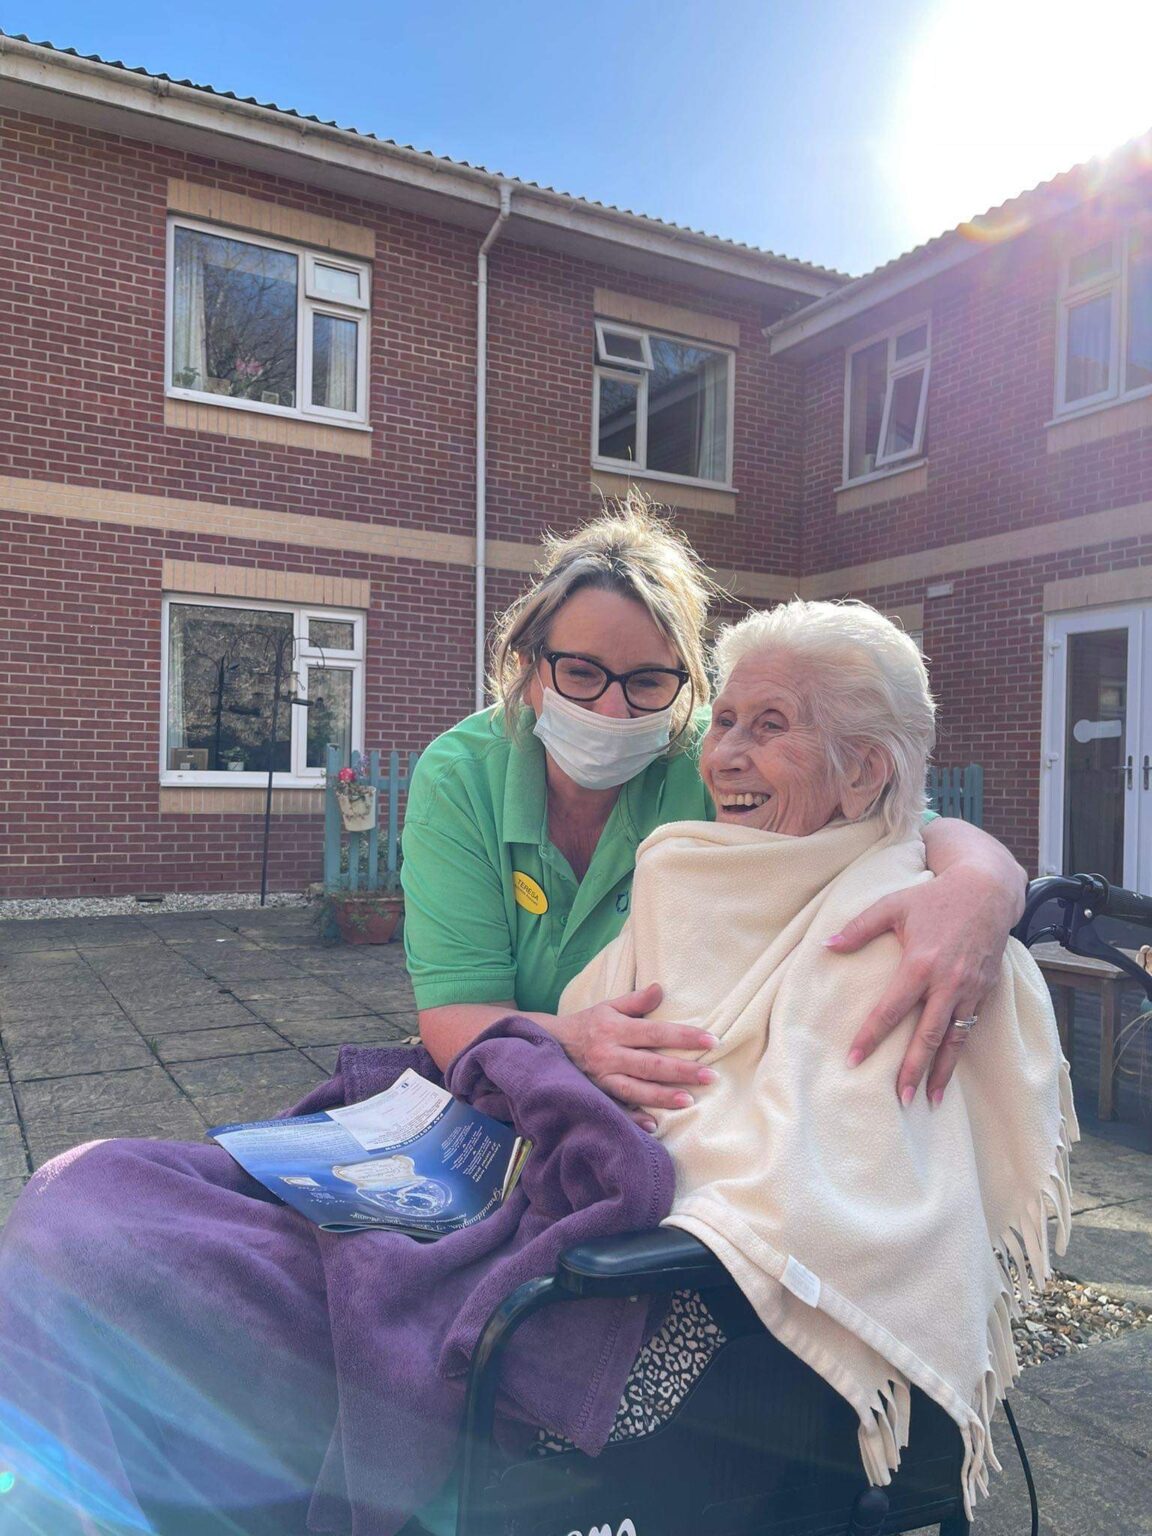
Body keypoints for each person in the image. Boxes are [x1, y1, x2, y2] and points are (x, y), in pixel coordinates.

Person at [558, 598, 1075, 1510]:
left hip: (739, 1329)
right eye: (723, 721)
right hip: (614, 1242)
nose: (725, 756)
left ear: (864, 771)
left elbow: (829, 1206)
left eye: (770, 726)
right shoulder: (687, 868)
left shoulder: (902, 931)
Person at [403, 496, 1027, 1131]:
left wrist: (984, 883)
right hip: (516, 1094)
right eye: (582, 673)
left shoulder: (714, 754)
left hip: (688, 1104)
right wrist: (572, 1043)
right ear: (527, 666)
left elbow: (899, 822)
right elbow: (456, 1013)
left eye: (648, 681)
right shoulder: (462, 779)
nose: (613, 711)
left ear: (684, 685)